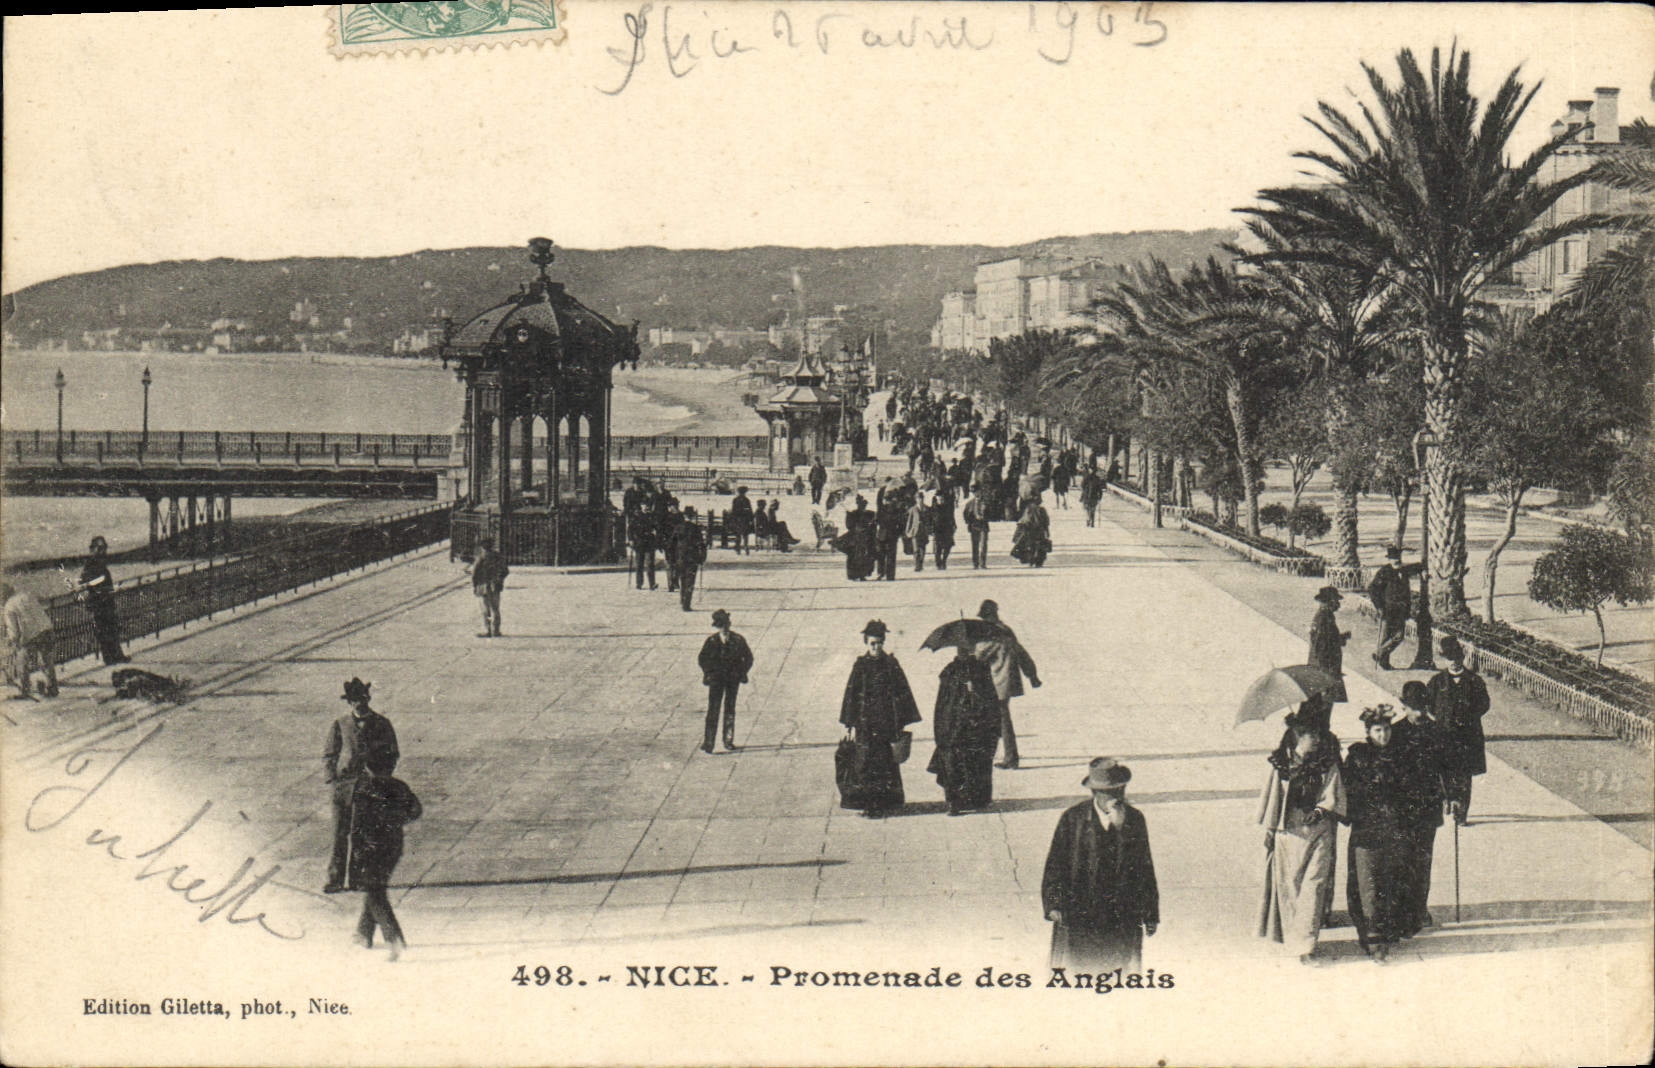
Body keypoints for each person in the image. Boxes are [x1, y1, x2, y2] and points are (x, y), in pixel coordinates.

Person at [1042, 758, 1160, 971]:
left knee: (1119, 975)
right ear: (1095, 792)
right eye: (1110, 792)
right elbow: (1054, 866)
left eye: (1120, 790)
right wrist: (1053, 904)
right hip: (1080, 914)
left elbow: (1144, 868)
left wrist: (1150, 913)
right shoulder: (1072, 819)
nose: (1117, 796)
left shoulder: (1134, 820)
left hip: (1121, 915)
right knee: (1079, 973)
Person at [1257, 713, 1345, 964]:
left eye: (1318, 735)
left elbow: (1333, 794)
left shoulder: (1327, 763)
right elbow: (1272, 799)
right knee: (1291, 889)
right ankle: (1295, 941)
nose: (1316, 739)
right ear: (1298, 737)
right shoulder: (1280, 765)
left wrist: (1320, 810)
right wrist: (1270, 830)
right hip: (1289, 833)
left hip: (1319, 831)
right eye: (1311, 735)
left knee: (1314, 888)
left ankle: (1306, 945)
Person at [1343, 706, 1410, 961]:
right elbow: (1348, 790)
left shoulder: (1399, 755)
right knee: (1367, 882)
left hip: (1394, 827)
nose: (1383, 735)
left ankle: (1388, 930)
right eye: (1378, 730)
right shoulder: (1358, 756)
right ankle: (1372, 936)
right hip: (1367, 828)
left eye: (1387, 730)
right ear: (1368, 732)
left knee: (1391, 879)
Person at [837, 620, 921, 819]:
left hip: (886, 724)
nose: (876, 647)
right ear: (866, 643)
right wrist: (849, 721)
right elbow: (851, 693)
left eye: (879, 643)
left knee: (885, 764)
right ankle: (868, 804)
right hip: (865, 724)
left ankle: (884, 802)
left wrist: (902, 719)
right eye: (872, 644)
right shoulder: (860, 665)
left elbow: (902, 691)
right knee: (865, 764)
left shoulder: (891, 664)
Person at [323, 678, 400, 894]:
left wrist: (381, 776)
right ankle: (335, 879)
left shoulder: (382, 724)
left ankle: (357, 878)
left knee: (360, 833)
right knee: (338, 834)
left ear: (368, 699)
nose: (358, 704)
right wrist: (333, 779)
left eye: (362, 699)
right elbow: (330, 753)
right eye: (354, 700)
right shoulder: (340, 724)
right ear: (349, 703)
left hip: (368, 787)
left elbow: (392, 753)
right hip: (343, 788)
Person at [344, 770, 421, 961]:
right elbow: (415, 810)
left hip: (371, 848)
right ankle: (364, 933)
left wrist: (357, 851)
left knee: (374, 892)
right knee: (376, 887)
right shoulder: (398, 785)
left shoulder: (362, 791)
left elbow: (357, 825)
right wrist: (395, 821)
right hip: (394, 845)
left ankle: (393, 937)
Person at [1391, 681, 1445, 936]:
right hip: (1401, 809)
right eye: (1414, 708)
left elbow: (1449, 767)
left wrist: (1454, 797)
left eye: (1422, 707)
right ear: (1403, 706)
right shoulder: (1394, 733)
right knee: (1402, 859)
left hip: (1428, 809)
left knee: (1423, 860)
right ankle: (1401, 910)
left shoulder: (1436, 731)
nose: (1420, 713)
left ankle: (1419, 909)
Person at [926, 642, 1001, 814]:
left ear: (972, 649)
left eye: (967, 647)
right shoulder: (949, 671)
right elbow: (943, 702)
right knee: (953, 763)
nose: (963, 651)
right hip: (954, 725)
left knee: (976, 762)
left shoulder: (981, 669)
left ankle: (976, 800)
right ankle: (954, 802)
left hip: (976, 725)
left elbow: (990, 698)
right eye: (960, 647)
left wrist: (974, 690)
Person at [971, 600, 1042, 770]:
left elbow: (979, 657)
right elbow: (1022, 653)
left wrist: (967, 651)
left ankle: (1009, 757)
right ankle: (1007, 756)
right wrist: (1032, 675)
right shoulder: (1006, 631)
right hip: (1008, 682)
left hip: (995, 683)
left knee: (998, 720)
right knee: (1000, 719)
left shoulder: (990, 635)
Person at [1427, 635, 1490, 826]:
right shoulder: (1437, 682)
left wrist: (1469, 718)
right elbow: (1428, 705)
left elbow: (1484, 704)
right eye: (1449, 658)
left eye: (1456, 658)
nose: (1453, 662)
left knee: (1464, 776)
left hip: (1467, 738)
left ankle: (1461, 814)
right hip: (1443, 737)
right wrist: (1438, 720)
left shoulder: (1474, 681)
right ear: (1444, 660)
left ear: (1461, 658)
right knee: (1443, 772)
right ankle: (1447, 800)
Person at [697, 609, 753, 753]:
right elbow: (702, 659)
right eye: (721, 625)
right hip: (716, 680)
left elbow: (748, 658)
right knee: (713, 710)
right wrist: (709, 673)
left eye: (726, 624)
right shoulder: (711, 641)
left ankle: (728, 740)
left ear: (729, 624)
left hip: (732, 679)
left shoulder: (738, 640)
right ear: (717, 627)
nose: (725, 628)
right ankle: (709, 742)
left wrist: (741, 672)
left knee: (730, 709)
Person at [1367, 545, 1420, 670]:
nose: (1396, 560)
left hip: (1400, 610)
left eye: (1398, 557)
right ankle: (1383, 660)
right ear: (1389, 559)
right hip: (1388, 609)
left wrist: (1422, 568)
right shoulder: (1384, 572)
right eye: (1393, 558)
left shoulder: (1403, 570)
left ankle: (1380, 655)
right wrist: (1379, 606)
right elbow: (1372, 589)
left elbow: (1416, 567)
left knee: (1399, 636)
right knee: (1387, 636)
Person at [3, 582, 58, 699]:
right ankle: (52, 687)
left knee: (21, 661)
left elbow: (14, 631)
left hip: (31, 637)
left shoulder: (9, 607)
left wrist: (11, 641)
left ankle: (25, 690)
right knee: (47, 661)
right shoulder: (26, 596)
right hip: (47, 629)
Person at [79, 535, 128, 665]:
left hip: (107, 602)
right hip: (99, 603)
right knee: (104, 630)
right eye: (99, 548)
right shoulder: (90, 565)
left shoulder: (100, 564)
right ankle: (110, 657)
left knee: (112, 628)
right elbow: (86, 583)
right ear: (92, 549)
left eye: (104, 548)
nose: (103, 551)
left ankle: (117, 655)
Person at [468, 537, 508, 637]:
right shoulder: (498, 557)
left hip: (483, 586)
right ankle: (496, 630)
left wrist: (475, 585)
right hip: (495, 586)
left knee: (485, 609)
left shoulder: (480, 557)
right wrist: (499, 579)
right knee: (495, 608)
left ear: (482, 547)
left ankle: (488, 630)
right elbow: (505, 571)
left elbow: (474, 573)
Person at [672, 507, 708, 612]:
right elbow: (701, 544)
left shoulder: (678, 527)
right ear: (692, 516)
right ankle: (686, 604)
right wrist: (702, 558)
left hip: (680, 557)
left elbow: (672, 544)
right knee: (690, 581)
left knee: (682, 579)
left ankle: (682, 600)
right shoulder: (696, 528)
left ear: (684, 516)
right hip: (693, 558)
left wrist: (673, 557)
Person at [842, 495, 877, 581]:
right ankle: (855, 574)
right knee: (856, 556)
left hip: (864, 538)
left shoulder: (870, 514)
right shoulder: (854, 513)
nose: (862, 506)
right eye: (861, 504)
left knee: (863, 556)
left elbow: (874, 524)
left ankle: (861, 574)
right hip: (857, 538)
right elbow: (849, 525)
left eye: (863, 505)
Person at [1011, 492, 1051, 567]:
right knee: (1039, 546)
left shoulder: (1028, 509)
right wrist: (1047, 532)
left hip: (1030, 530)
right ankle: (1038, 560)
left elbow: (1023, 521)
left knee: (1030, 545)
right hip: (1039, 531)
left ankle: (1031, 560)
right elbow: (1046, 522)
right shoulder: (1042, 509)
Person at [628, 503, 659, 590]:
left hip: (649, 542)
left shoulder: (652, 517)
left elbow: (657, 527)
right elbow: (630, 529)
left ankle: (652, 583)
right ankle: (639, 583)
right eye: (645, 505)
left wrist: (656, 534)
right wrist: (631, 540)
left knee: (650, 563)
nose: (646, 507)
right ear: (641, 506)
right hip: (639, 543)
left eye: (648, 505)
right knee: (639, 564)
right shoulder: (636, 516)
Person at [963, 492, 991, 570]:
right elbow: (965, 514)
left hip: (983, 526)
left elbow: (991, 513)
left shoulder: (985, 503)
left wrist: (985, 516)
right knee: (975, 545)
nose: (978, 496)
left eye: (979, 494)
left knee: (983, 545)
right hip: (974, 526)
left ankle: (983, 563)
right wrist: (969, 522)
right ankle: (975, 563)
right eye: (976, 494)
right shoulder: (969, 503)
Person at [904, 493, 932, 572]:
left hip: (924, 531)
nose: (920, 500)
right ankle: (917, 565)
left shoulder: (927, 508)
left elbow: (930, 520)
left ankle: (921, 563)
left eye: (921, 498)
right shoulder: (913, 509)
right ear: (916, 500)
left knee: (922, 549)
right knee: (916, 549)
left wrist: (929, 529)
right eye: (918, 499)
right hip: (915, 532)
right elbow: (909, 521)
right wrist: (908, 531)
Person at [929, 491, 956, 571]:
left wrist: (953, 525)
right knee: (938, 547)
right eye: (938, 498)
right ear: (936, 498)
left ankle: (944, 560)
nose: (940, 499)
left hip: (947, 529)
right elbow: (930, 519)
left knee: (948, 546)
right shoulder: (933, 508)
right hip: (937, 530)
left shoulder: (947, 507)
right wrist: (931, 529)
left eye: (941, 498)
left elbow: (951, 516)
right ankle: (938, 563)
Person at [728, 487, 755, 554]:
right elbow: (749, 510)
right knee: (744, 535)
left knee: (739, 534)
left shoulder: (736, 500)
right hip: (743, 520)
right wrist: (751, 519)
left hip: (738, 520)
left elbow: (733, 510)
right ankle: (744, 547)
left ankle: (739, 547)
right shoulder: (746, 500)